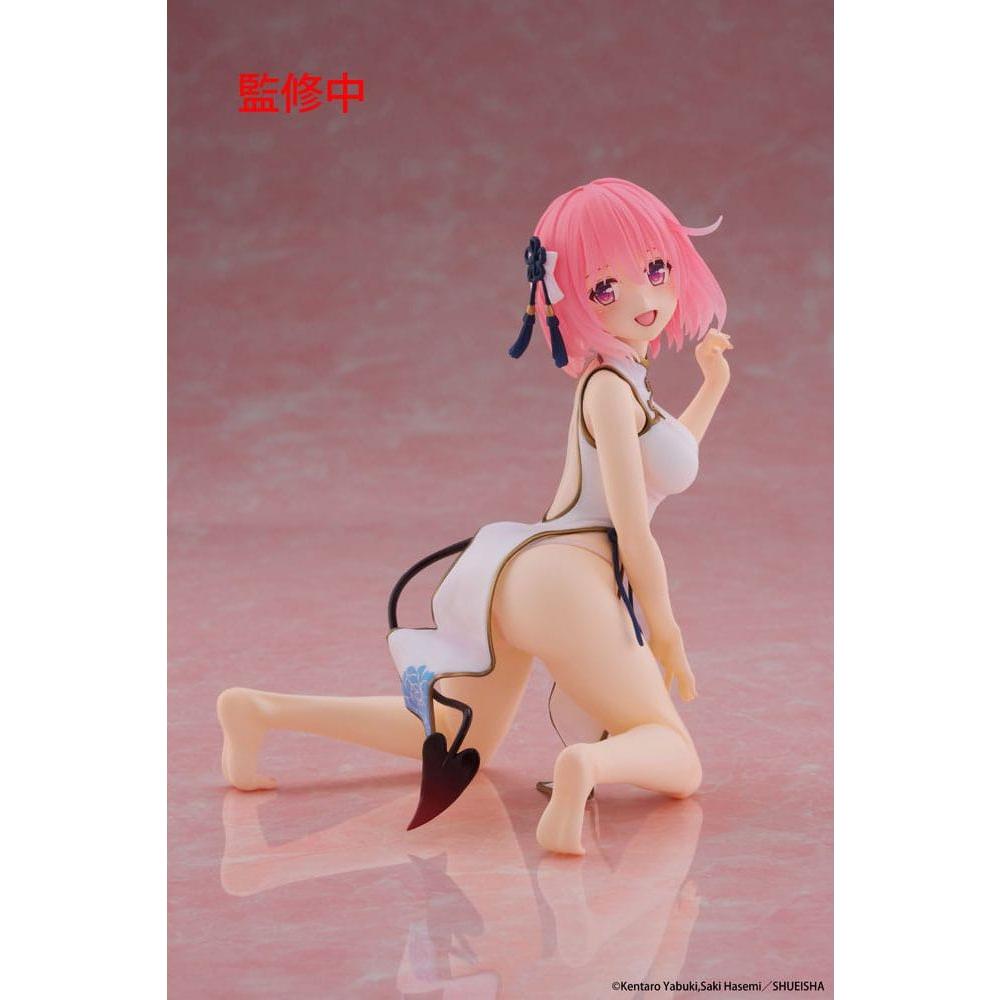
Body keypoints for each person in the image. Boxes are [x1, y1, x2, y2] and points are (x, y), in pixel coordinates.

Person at [217, 177, 732, 855]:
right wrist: (663, 626)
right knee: (677, 759)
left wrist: (713, 386)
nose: (643, 299)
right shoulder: (608, 389)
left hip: (520, 571)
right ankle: (585, 764)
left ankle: (261, 712)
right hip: (570, 573)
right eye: (606, 288)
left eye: (656, 270)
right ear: (566, 299)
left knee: (462, 738)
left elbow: (670, 455)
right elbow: (632, 528)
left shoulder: (626, 384)